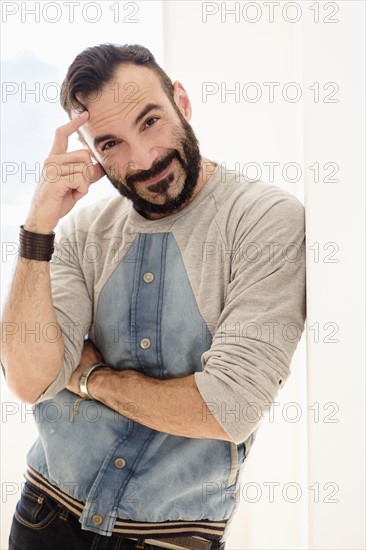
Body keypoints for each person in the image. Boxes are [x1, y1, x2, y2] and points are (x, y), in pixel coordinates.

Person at [1, 44, 306, 550]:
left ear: (180, 101)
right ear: (93, 157)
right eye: (111, 144)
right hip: (44, 517)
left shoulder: (265, 221)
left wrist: (90, 378)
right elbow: (31, 380)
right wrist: (38, 224)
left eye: (150, 121)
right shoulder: (79, 232)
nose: (143, 160)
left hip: (169, 537)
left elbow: (227, 408)